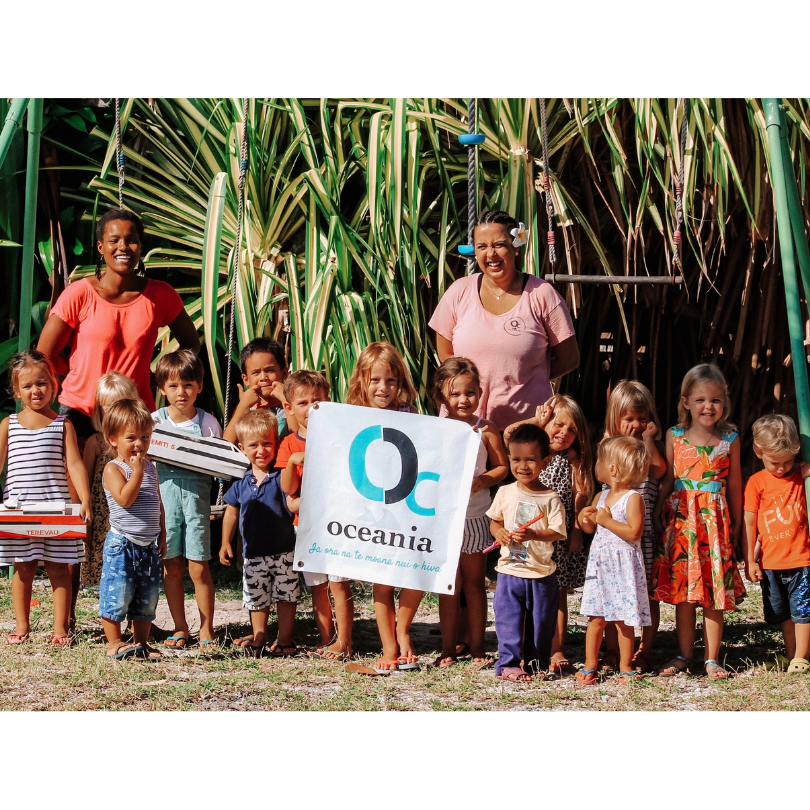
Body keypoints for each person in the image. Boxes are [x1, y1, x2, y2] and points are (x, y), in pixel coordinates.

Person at [37, 208, 199, 443]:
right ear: (101, 247)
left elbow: (191, 344)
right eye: (114, 240)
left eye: (131, 240)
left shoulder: (160, 295)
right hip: (81, 412)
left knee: (131, 480)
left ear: (140, 247)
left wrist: (160, 377)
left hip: (134, 417)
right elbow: (44, 355)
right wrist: (76, 371)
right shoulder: (80, 293)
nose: (123, 247)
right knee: (78, 479)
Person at [429, 210, 579, 432]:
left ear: (515, 246)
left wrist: (522, 378)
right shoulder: (459, 291)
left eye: (499, 245)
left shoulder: (542, 294)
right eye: (482, 246)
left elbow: (569, 359)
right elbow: (445, 355)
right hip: (464, 428)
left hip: (524, 432)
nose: (491, 254)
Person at [652, 364, 745, 680]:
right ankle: (684, 655)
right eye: (701, 399)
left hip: (715, 525)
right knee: (685, 591)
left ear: (724, 402)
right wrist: (657, 513)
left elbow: (734, 487)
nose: (709, 406)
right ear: (686, 401)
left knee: (713, 591)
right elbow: (668, 480)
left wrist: (736, 529)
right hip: (682, 525)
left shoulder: (729, 439)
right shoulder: (674, 437)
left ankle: (712, 659)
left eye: (716, 400)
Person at [1, 351, 91, 646]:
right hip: (19, 511)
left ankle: (61, 629)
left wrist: (85, 500)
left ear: (54, 384)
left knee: (58, 567)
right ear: (16, 391)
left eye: (41, 383)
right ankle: (22, 625)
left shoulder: (62, 425)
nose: (35, 390)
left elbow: (75, 465)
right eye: (27, 386)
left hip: (57, 508)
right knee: (23, 567)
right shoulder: (8, 425)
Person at [346, 342, 422, 673]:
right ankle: (389, 645)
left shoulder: (411, 415)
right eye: (375, 380)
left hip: (408, 507)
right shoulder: (349, 416)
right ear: (362, 379)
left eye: (390, 381)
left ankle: (403, 630)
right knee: (382, 577)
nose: (383, 388)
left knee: (417, 572)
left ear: (400, 382)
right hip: (370, 509)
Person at [505, 395, 593, 674]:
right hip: (526, 535)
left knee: (556, 593)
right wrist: (536, 421)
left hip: (557, 535)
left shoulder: (575, 461)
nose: (564, 433)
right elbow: (509, 434)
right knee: (523, 588)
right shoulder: (533, 455)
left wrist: (576, 532)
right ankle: (520, 647)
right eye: (558, 424)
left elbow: (581, 498)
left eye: (572, 429)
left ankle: (555, 646)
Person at [431, 358, 508, 667]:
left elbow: (502, 467)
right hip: (443, 519)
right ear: (441, 396)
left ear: (480, 393)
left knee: (475, 584)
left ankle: (477, 648)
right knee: (449, 585)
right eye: (455, 394)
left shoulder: (485, 428)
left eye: (470, 393)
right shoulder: (435, 429)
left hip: (476, 516)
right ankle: (448, 649)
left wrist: (484, 479)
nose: (463, 400)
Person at [273, 370, 354, 662]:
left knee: (339, 581)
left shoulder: (341, 438)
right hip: (305, 526)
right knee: (317, 584)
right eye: (303, 402)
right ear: (289, 408)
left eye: (317, 400)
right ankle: (327, 639)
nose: (311, 408)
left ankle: (345, 640)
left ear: (328, 401)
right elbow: (288, 492)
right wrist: (293, 463)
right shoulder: (289, 445)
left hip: (338, 523)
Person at [152, 350, 221, 650]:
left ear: (200, 386)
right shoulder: (153, 422)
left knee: (199, 566)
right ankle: (180, 627)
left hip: (196, 503)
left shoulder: (208, 423)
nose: (182, 392)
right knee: (172, 566)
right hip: (164, 504)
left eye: (188, 385)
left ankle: (207, 628)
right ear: (162, 388)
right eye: (173, 386)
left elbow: (219, 465)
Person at [487, 424, 566, 682]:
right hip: (510, 571)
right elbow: (494, 521)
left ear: (545, 461)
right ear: (509, 459)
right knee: (508, 619)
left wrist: (534, 535)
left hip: (541, 572)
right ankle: (508, 664)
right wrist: (498, 531)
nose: (523, 466)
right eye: (516, 459)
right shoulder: (505, 492)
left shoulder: (551, 498)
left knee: (542, 622)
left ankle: (535, 662)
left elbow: (557, 532)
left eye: (530, 460)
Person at [600, 381, 667, 673]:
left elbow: (657, 469)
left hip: (646, 534)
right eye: (628, 419)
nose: (636, 425)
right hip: (615, 537)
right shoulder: (607, 448)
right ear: (615, 419)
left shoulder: (653, 448)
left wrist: (648, 441)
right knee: (614, 592)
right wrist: (620, 446)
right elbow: (601, 472)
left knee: (648, 592)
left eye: (642, 418)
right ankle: (613, 648)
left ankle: (645, 648)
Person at [220, 410, 298, 658]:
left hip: (285, 549)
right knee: (257, 597)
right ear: (243, 448)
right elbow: (231, 513)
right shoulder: (240, 484)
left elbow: (292, 499)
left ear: (276, 444)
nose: (261, 450)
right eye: (254, 445)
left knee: (286, 596)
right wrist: (225, 542)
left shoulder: (280, 478)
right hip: (253, 553)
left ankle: (285, 637)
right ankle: (260, 634)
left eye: (267, 444)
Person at [577, 436, 652, 685]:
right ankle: (590, 663)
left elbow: (634, 532)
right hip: (601, 566)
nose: (595, 464)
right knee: (595, 617)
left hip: (622, 567)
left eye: (599, 460)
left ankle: (625, 665)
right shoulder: (601, 496)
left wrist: (606, 521)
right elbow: (591, 530)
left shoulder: (633, 498)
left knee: (623, 620)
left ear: (611, 469)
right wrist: (584, 518)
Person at [100, 399, 166, 661]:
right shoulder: (113, 469)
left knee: (146, 597)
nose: (139, 444)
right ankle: (114, 642)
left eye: (145, 437)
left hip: (148, 544)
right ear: (114, 439)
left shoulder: (150, 467)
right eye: (132, 438)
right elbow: (125, 499)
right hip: (122, 544)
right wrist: (136, 472)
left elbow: (157, 502)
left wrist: (162, 533)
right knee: (118, 592)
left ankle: (141, 642)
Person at [743, 415, 810, 674]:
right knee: (784, 614)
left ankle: (801, 657)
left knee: (803, 611)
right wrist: (750, 559)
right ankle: (792, 653)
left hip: (801, 559)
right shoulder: (757, 483)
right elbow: (750, 523)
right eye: (775, 462)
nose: (782, 468)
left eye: (788, 461)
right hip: (771, 561)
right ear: (759, 452)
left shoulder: (801, 477)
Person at [82, 372, 139, 588]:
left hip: (131, 514)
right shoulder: (95, 443)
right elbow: (85, 481)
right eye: (108, 406)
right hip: (103, 515)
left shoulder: (140, 444)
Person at [223, 338, 292, 445]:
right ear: (246, 379)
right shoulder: (247, 409)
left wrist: (285, 399)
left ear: (284, 373)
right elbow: (227, 444)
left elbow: (298, 437)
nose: (263, 377)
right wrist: (243, 406)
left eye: (270, 370)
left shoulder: (292, 405)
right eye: (256, 373)